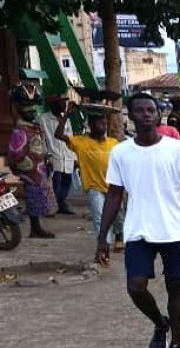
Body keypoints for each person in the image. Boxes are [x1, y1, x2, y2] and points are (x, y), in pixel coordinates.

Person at [95, 93, 180, 348]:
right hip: (139, 230)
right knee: (135, 287)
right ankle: (160, 323)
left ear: (158, 115)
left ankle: (176, 345)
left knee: (175, 287)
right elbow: (114, 195)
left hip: (174, 230)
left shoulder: (178, 149)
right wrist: (103, 237)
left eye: (151, 110)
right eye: (140, 110)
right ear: (131, 116)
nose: (146, 114)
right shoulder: (121, 152)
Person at [55, 103, 119, 246]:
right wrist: (66, 115)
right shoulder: (81, 142)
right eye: (100, 123)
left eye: (105, 123)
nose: (104, 126)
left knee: (115, 216)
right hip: (94, 187)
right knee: (99, 217)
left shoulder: (114, 143)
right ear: (91, 125)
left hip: (112, 188)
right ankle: (104, 245)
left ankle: (117, 238)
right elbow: (58, 135)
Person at [8, 89, 57, 239]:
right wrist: (21, 164)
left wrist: (46, 159)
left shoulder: (33, 127)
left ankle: (36, 227)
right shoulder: (20, 130)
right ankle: (35, 229)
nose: (32, 111)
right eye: (28, 108)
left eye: (34, 107)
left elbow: (40, 145)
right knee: (33, 197)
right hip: (29, 169)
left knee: (38, 196)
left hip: (37, 167)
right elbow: (15, 153)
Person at [39, 94, 77, 215]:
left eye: (64, 102)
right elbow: (42, 138)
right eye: (61, 102)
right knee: (55, 182)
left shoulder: (66, 119)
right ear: (53, 105)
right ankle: (52, 205)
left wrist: (75, 156)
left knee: (67, 181)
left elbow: (70, 137)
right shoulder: (44, 119)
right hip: (53, 154)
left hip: (67, 154)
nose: (64, 105)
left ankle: (61, 203)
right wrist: (46, 154)